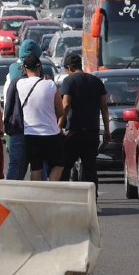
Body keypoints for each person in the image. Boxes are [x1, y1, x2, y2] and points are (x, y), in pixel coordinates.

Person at [59, 53, 110, 191]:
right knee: (90, 168)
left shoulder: (69, 81)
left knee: (65, 165)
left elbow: (66, 104)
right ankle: (92, 198)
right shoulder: (96, 81)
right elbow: (104, 106)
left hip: (74, 131)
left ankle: (61, 196)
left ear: (69, 68)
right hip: (92, 131)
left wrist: (59, 126)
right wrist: (106, 129)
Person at [12, 55, 66, 181]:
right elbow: (60, 111)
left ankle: (38, 196)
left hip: (30, 133)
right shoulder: (51, 85)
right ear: (40, 67)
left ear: (24, 70)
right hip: (51, 133)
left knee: (36, 168)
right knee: (58, 164)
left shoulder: (20, 84)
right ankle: (50, 189)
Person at [4, 38, 45, 180]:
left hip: (17, 127)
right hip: (39, 130)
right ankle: (42, 198)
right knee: (40, 167)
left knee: (15, 166)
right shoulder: (45, 80)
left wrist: (6, 126)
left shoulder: (12, 75)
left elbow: (8, 104)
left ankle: (9, 196)